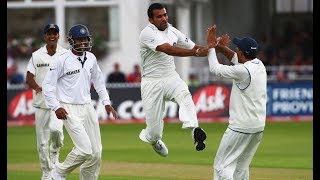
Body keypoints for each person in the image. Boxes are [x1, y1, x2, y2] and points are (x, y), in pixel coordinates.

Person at [42, 24, 118, 180]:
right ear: (71, 40)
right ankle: (58, 173)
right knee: (84, 150)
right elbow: (47, 86)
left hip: (87, 106)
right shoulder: (61, 60)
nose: (83, 42)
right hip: (68, 108)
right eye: (80, 39)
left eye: (85, 39)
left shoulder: (91, 58)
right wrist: (56, 107)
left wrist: (106, 102)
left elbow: (99, 81)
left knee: (96, 153)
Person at [138, 3, 208, 157]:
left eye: (165, 15)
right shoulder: (146, 33)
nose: (164, 18)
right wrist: (194, 53)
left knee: (185, 94)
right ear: (151, 20)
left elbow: (196, 48)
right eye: (159, 16)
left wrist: (215, 49)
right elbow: (168, 50)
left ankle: (195, 129)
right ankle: (153, 139)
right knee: (155, 131)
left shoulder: (172, 30)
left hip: (171, 77)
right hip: (151, 82)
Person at [206, 25, 267, 180]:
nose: (236, 50)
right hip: (257, 127)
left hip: (240, 127)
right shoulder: (259, 65)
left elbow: (215, 69)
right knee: (241, 168)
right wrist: (220, 46)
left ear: (242, 52)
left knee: (222, 166)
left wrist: (212, 47)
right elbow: (235, 58)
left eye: (237, 48)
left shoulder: (242, 71)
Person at [25, 23, 67, 180]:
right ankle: (46, 172)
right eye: (49, 33)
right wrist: (37, 87)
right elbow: (29, 76)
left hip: (58, 104)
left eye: (54, 33)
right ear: (45, 36)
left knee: (57, 132)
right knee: (42, 143)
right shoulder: (37, 55)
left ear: (58, 36)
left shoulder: (65, 54)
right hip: (41, 104)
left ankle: (55, 160)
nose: (52, 36)